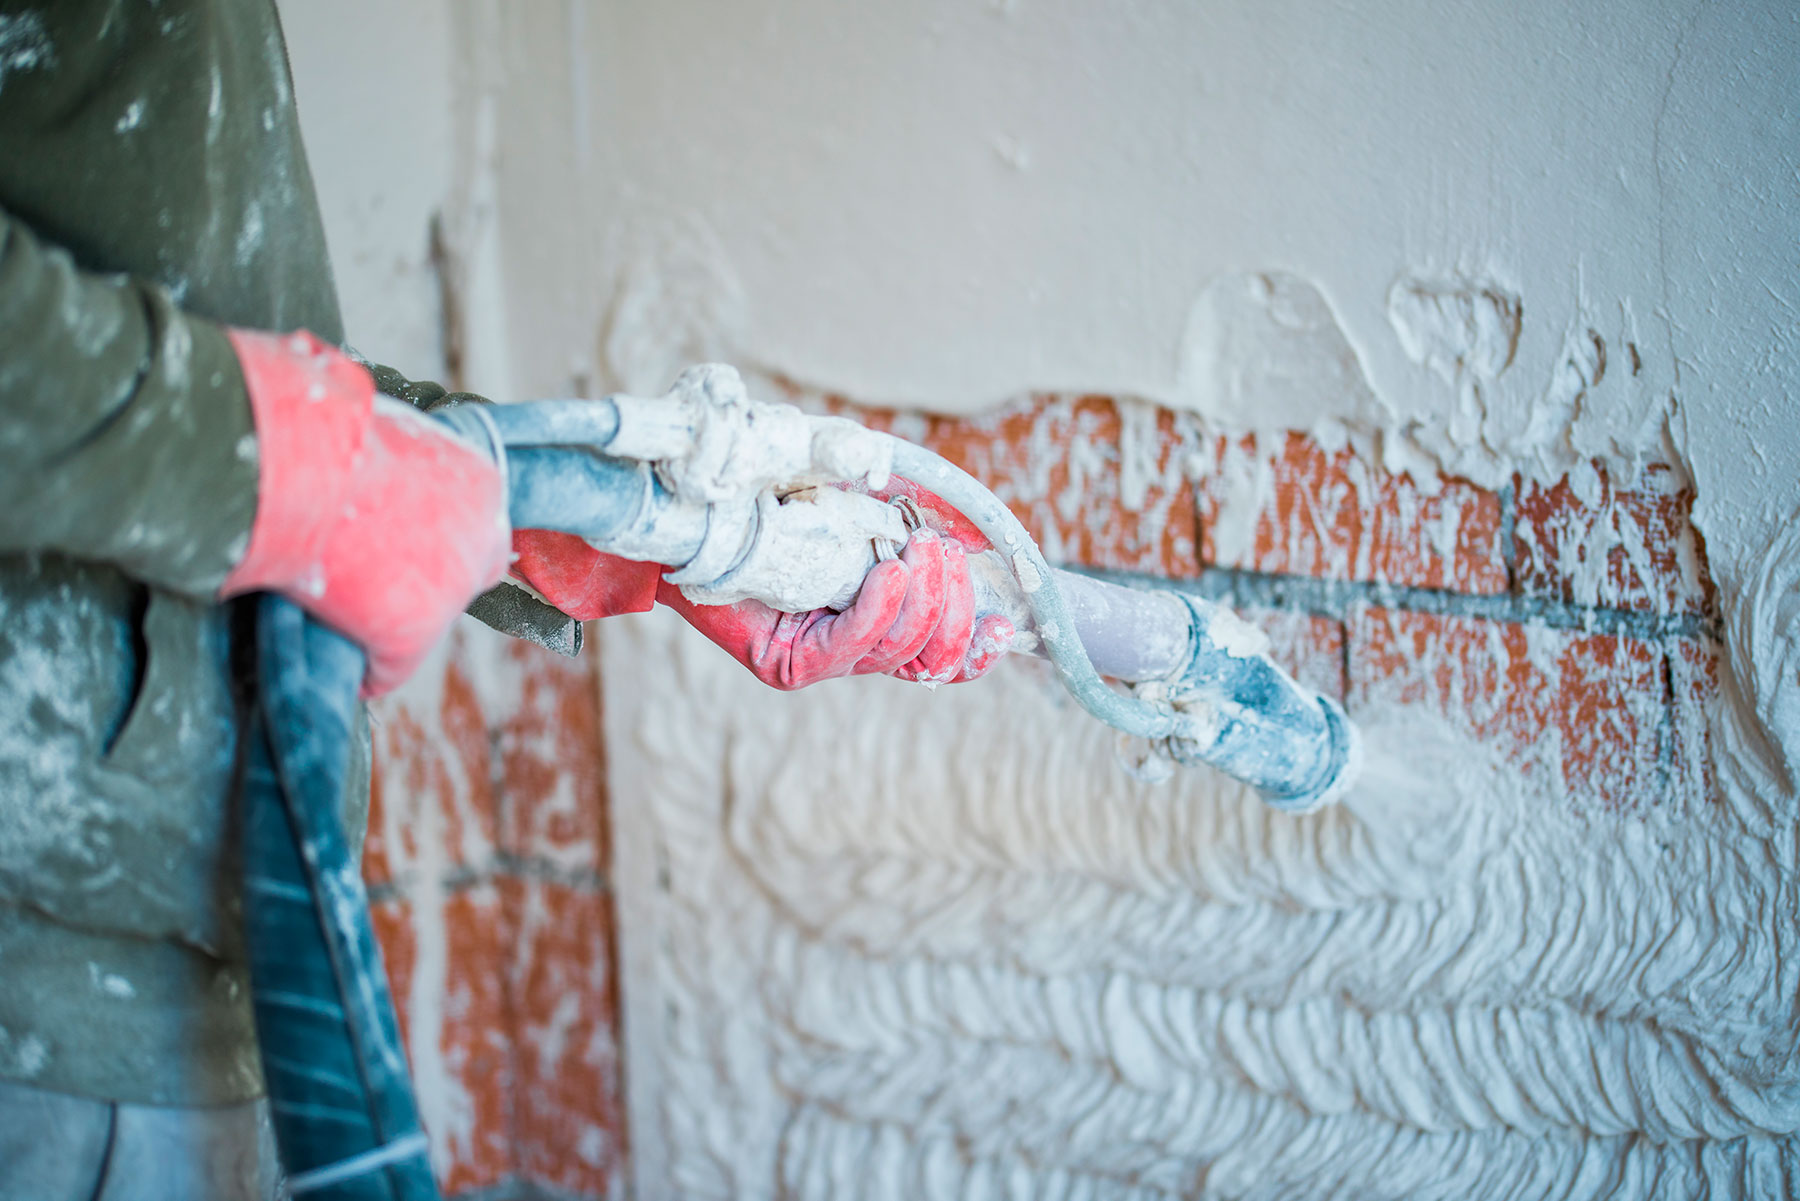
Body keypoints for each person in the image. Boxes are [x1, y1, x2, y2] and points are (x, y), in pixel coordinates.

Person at [0, 3, 998, 1195]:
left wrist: (628, 529)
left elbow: (219, 346)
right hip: (50, 969)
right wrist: (302, 470)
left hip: (182, 932)